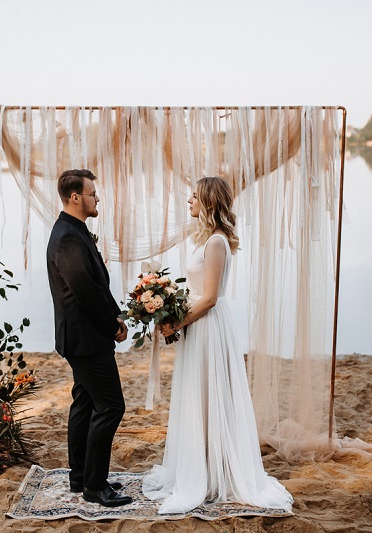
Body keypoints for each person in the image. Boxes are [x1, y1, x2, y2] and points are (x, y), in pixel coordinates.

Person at [142, 176, 294, 514]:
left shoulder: (215, 242)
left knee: (210, 396)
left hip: (208, 326)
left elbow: (210, 298)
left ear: (209, 202)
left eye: (194, 197)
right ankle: (203, 466)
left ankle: (213, 473)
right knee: (200, 396)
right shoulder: (205, 239)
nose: (189, 201)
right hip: (198, 324)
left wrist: (174, 323)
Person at [46, 169, 132, 508]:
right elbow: (84, 292)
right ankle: (94, 486)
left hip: (84, 335)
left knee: (84, 402)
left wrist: (117, 314)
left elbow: (99, 286)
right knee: (111, 406)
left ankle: (80, 477)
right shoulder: (67, 237)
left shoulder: (77, 231)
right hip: (85, 338)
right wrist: (111, 326)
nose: (98, 199)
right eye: (93, 193)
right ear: (75, 197)